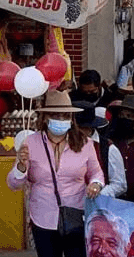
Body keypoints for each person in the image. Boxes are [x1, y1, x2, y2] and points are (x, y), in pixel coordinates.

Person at [7, 90, 104, 257]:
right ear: (45, 118)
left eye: (65, 116)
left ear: (71, 119)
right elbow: (13, 184)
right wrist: (22, 167)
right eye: (56, 116)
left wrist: (95, 184)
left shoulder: (85, 143)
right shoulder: (30, 143)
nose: (61, 120)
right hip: (43, 217)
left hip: (76, 214)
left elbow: (96, 172)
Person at [73, 102, 127, 198]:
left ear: (90, 128)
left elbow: (119, 184)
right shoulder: (63, 145)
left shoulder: (108, 148)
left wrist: (97, 194)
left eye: (82, 128)